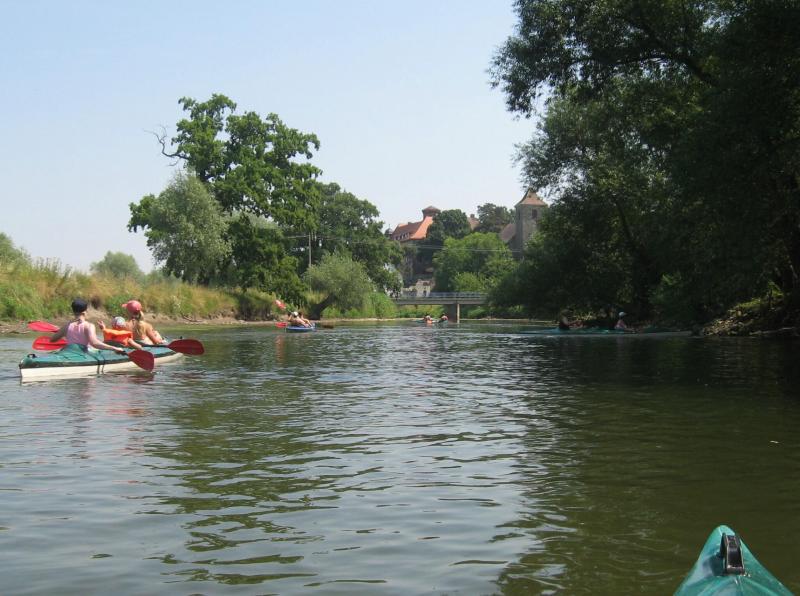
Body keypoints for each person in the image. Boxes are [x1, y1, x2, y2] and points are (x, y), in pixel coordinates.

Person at [50, 298, 127, 354]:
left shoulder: (67, 326)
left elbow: (52, 340)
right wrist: (114, 348)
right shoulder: (89, 326)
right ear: (85, 312)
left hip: (68, 352)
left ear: (73, 311)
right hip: (81, 354)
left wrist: (63, 331)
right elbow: (94, 343)